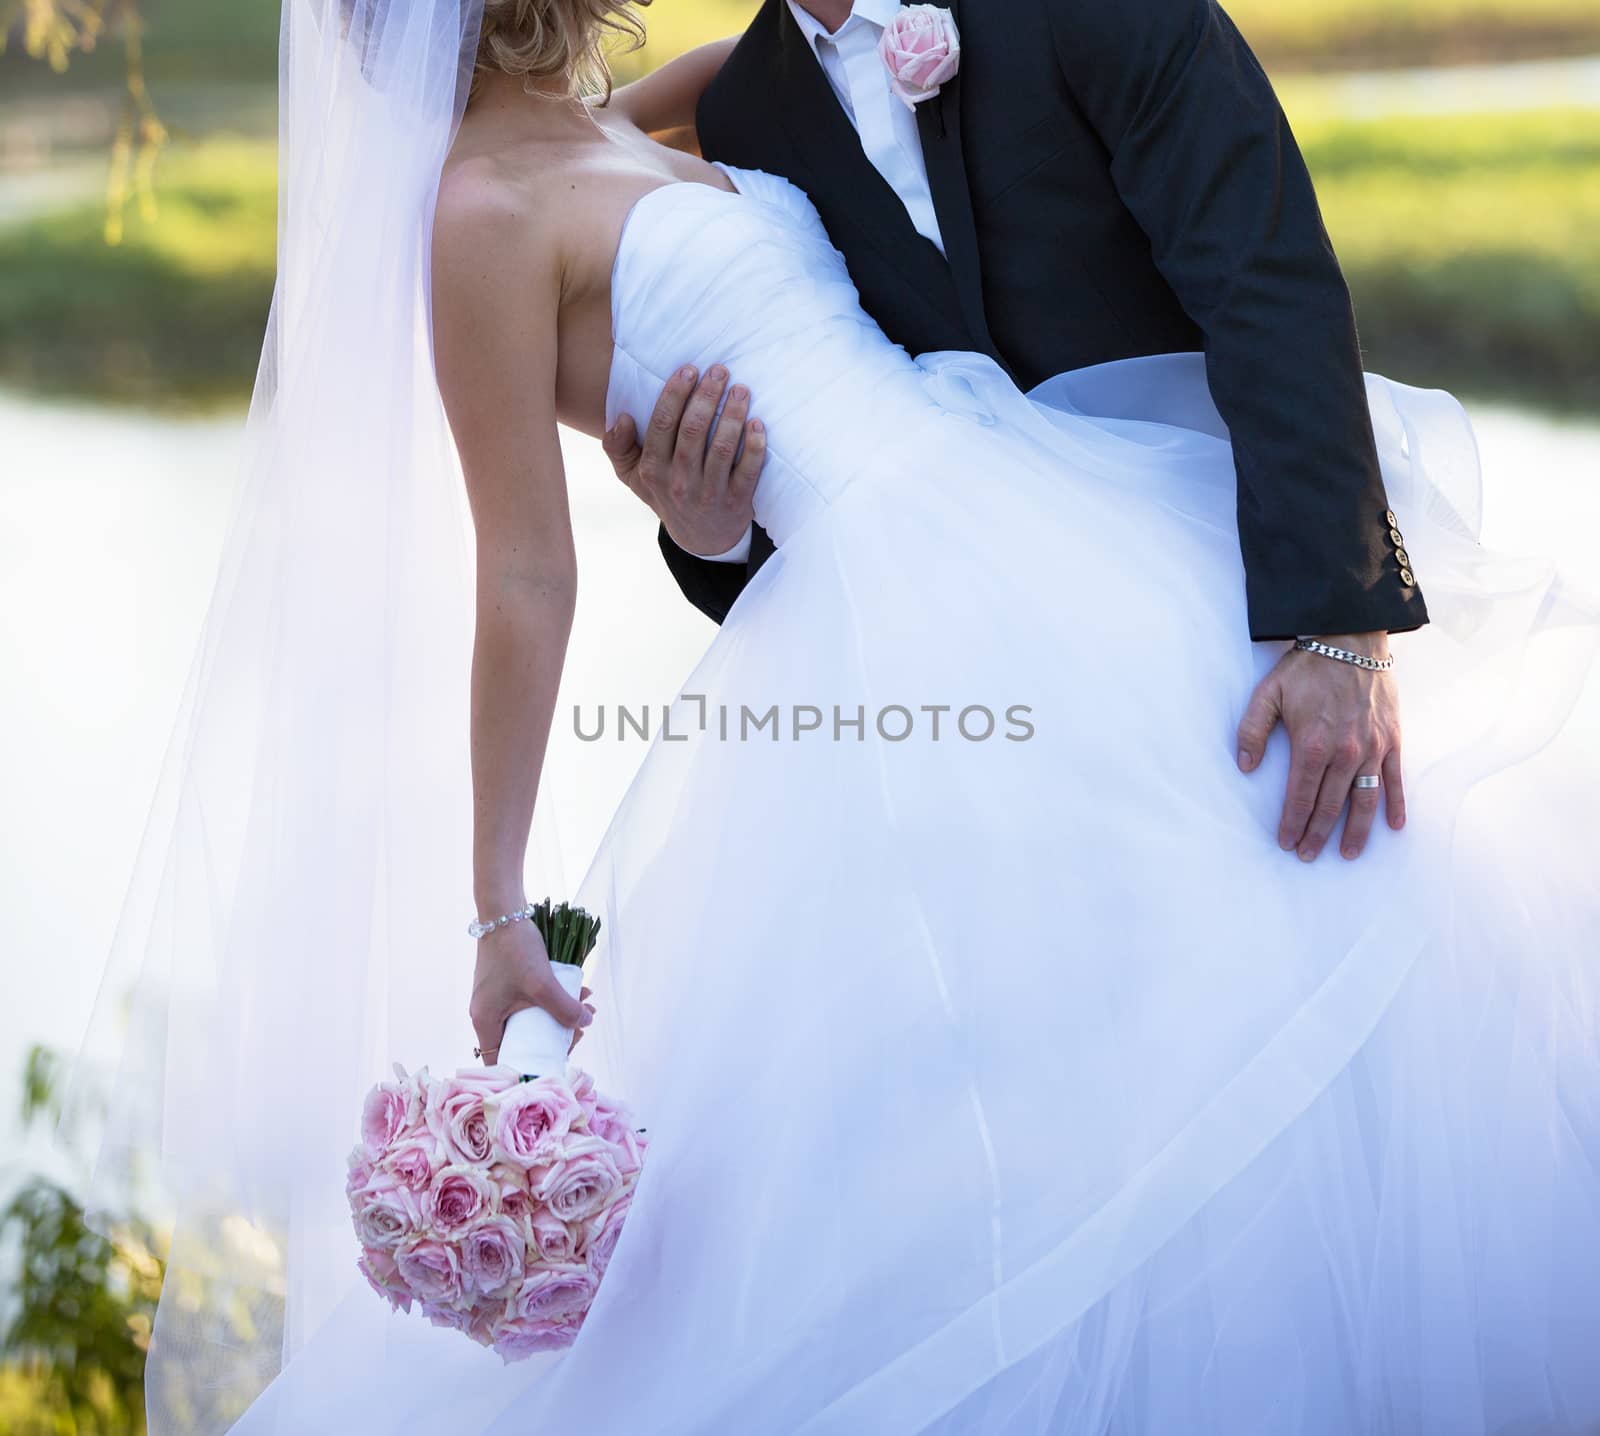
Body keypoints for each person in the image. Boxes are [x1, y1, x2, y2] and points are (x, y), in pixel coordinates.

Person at [66, 1, 1600, 1433]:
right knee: (1013, 1061)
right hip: (890, 608)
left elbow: (820, 116)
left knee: (1263, 931)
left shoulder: (651, 111)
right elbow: (525, 574)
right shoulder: (475, 221)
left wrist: (1334, 615)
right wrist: (497, 910)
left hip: (1040, 505)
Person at [606, 0, 1427, 872]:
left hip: (1246, 619)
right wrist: (716, 543)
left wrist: (1341, 629)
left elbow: (1266, 280)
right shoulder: (744, 112)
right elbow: (827, 422)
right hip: (1002, 705)